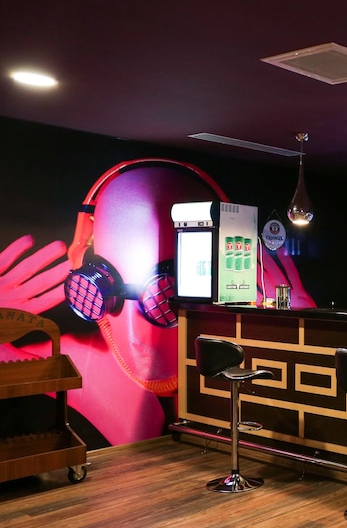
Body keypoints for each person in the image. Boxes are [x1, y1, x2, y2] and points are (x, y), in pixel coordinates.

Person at [0, 159, 314, 447]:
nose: (140, 319)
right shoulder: (65, 361)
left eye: (167, 287)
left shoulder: (231, 350)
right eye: (108, 281)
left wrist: (299, 327)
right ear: (83, 264)